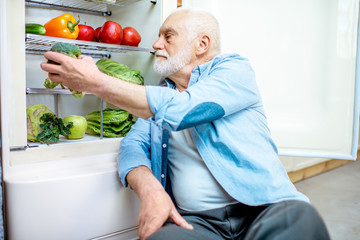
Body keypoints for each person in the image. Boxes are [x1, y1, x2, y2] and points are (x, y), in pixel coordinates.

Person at [40, 9, 330, 240]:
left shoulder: (234, 70)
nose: (156, 44)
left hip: (264, 209)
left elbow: (186, 109)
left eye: (168, 36)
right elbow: (132, 145)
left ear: (202, 44)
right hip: (198, 224)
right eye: (158, 36)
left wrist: (96, 82)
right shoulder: (160, 94)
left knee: (300, 220)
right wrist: (151, 189)